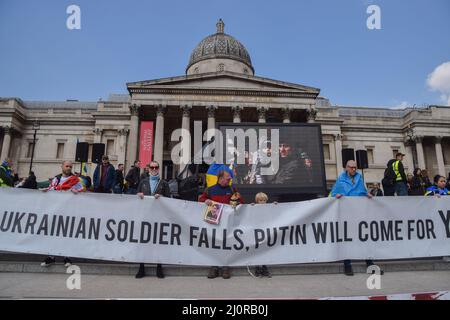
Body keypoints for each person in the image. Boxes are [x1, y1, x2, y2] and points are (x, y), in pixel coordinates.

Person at [330, 160, 384, 276]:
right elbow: (333, 194)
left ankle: (370, 264)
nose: (354, 169)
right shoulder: (341, 179)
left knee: (363, 238)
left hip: (360, 214)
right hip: (346, 214)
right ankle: (347, 265)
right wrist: (336, 196)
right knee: (347, 239)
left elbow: (361, 192)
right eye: (351, 167)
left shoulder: (360, 178)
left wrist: (367, 194)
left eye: (355, 167)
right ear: (346, 167)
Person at [199, 170, 243, 279]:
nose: (229, 180)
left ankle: (225, 268)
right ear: (220, 178)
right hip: (213, 222)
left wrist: (238, 201)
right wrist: (206, 201)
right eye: (227, 178)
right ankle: (214, 267)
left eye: (230, 179)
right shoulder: (210, 189)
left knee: (226, 244)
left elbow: (241, 202)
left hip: (228, 223)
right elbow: (200, 199)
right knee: (214, 244)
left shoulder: (232, 189)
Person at [40, 160, 86, 267]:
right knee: (53, 233)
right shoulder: (56, 179)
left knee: (67, 233)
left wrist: (78, 191)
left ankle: (67, 257)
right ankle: (51, 257)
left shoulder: (75, 180)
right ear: (62, 167)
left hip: (68, 211)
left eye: (70, 166)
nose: (69, 168)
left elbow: (84, 190)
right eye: (67, 166)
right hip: (56, 210)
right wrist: (47, 190)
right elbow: (52, 189)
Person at [135, 161, 171, 279]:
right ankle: (141, 267)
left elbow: (169, 199)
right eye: (152, 167)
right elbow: (136, 197)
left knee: (158, 242)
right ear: (148, 169)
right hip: (145, 216)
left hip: (159, 217)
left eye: (156, 167)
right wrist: (139, 195)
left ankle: (159, 267)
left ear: (159, 169)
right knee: (143, 241)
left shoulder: (164, 183)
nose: (154, 169)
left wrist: (162, 198)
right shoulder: (143, 182)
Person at [250, 192, 274, 278]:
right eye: (260, 200)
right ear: (257, 201)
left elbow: (276, 213)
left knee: (265, 250)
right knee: (257, 250)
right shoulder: (254, 208)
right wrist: (251, 207)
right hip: (256, 232)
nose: (262, 202)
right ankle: (257, 268)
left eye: (264, 200)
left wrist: (276, 206)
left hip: (266, 232)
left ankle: (264, 268)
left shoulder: (269, 208)